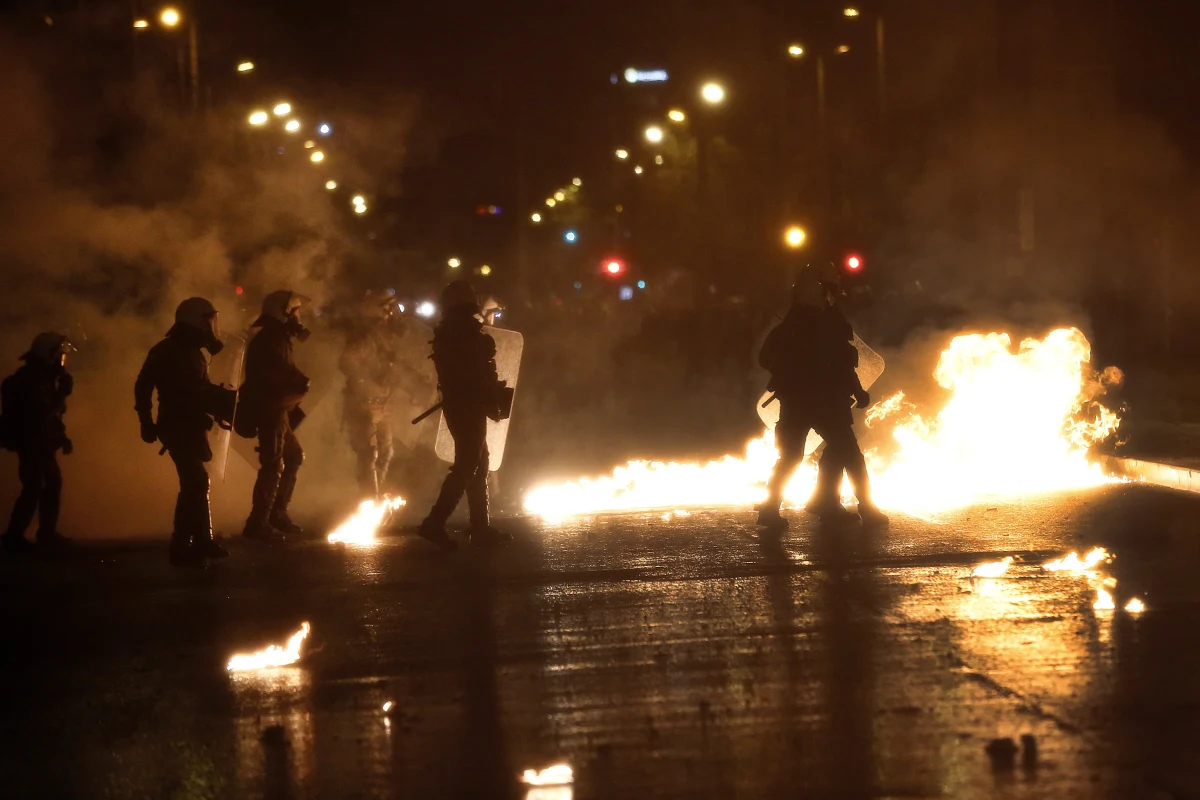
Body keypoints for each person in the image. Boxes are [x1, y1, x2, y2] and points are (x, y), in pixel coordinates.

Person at [757, 263, 887, 528]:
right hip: (826, 401)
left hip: (796, 401)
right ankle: (864, 509)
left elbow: (765, 359)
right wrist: (858, 391)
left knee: (794, 456)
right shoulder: (828, 321)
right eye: (832, 290)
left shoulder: (791, 323)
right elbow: (841, 363)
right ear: (825, 291)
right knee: (849, 453)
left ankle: (786, 507)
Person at [135, 299, 237, 567]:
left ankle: (201, 539)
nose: (212, 327)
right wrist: (146, 421)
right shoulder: (170, 351)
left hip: (188, 424)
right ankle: (182, 545)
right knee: (195, 481)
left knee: (197, 482)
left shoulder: (189, 350)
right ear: (196, 321)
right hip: (177, 425)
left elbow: (196, 390)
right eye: (208, 320)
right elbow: (146, 386)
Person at [418, 280, 511, 549]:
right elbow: (471, 372)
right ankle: (434, 524)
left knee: (479, 463)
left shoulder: (455, 330)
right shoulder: (461, 332)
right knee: (468, 465)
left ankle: (481, 527)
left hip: (467, 403)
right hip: (466, 405)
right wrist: (487, 393)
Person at [240, 290, 311, 541]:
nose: (299, 316)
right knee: (273, 463)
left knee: (293, 456)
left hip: (276, 409)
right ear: (283, 312)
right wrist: (300, 383)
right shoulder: (272, 340)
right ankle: (258, 522)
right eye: (295, 311)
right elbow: (274, 376)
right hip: (270, 410)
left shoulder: (276, 337)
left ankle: (276, 514)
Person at [1, 332, 75, 554]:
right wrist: (62, 393)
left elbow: (52, 418)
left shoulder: (41, 378)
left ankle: (47, 534)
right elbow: (42, 413)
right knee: (34, 485)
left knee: (51, 483)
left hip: (41, 442)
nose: (61, 362)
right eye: (59, 356)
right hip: (31, 442)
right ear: (48, 354)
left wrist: (61, 437)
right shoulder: (31, 380)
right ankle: (14, 537)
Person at [340, 291, 412, 499]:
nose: (392, 313)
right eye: (387, 308)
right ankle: (369, 500)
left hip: (382, 405)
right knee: (368, 454)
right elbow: (347, 362)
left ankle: (375, 497)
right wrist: (366, 383)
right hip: (364, 405)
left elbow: (394, 366)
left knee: (386, 453)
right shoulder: (365, 336)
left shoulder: (385, 336)